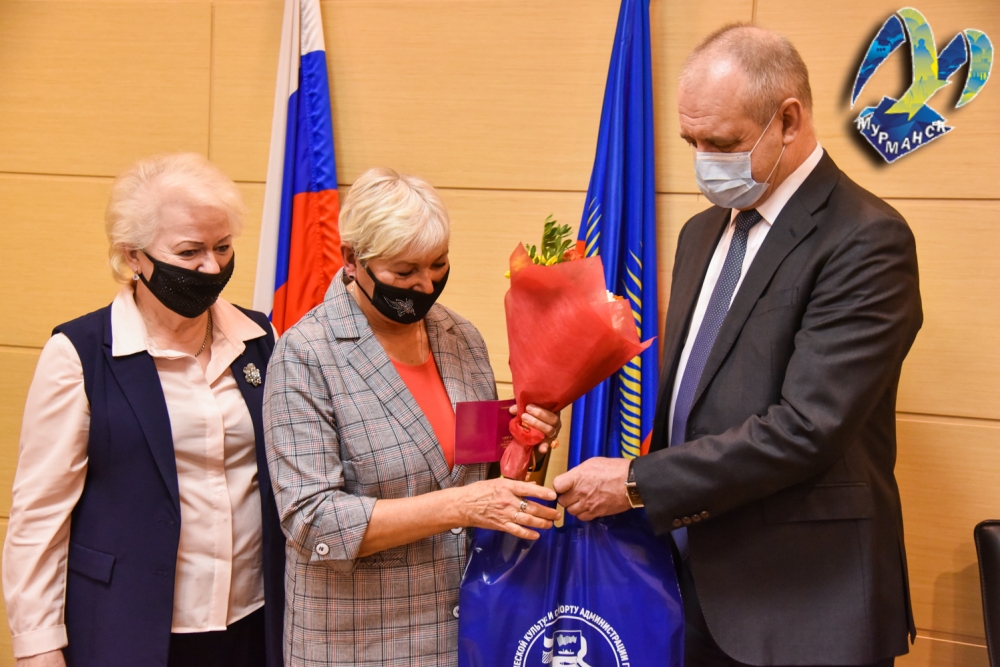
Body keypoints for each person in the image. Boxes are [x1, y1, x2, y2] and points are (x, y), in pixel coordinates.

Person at [553, 24, 922, 667]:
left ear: (788, 120)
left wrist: (637, 483)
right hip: (688, 585)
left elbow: (808, 427)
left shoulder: (865, 239)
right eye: (691, 142)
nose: (704, 162)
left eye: (722, 143)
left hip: (805, 601)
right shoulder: (701, 233)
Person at [264, 167, 562, 667]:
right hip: (358, 646)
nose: (426, 285)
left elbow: (485, 478)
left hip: (469, 634)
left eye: (438, 264)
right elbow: (312, 521)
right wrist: (461, 506)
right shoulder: (306, 354)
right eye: (404, 273)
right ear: (352, 260)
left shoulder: (461, 337)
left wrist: (528, 441)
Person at [2, 154, 285, 667]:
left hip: (252, 624)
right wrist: (37, 646)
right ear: (133, 256)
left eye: (223, 247)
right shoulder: (80, 354)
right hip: (126, 630)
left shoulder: (260, 338)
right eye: (189, 251)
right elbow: (40, 516)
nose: (212, 267)